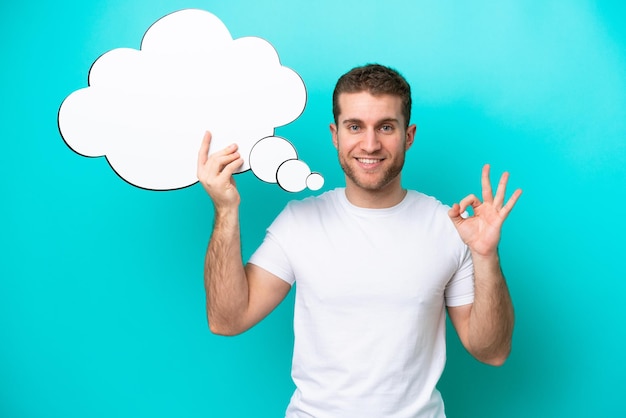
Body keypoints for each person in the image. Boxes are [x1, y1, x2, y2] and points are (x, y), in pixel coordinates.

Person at [197, 64, 522, 417]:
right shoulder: (299, 222)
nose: (370, 144)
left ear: (408, 135)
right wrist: (225, 209)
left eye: (386, 127)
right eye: (355, 127)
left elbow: (492, 351)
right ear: (335, 134)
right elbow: (227, 319)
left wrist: (486, 255)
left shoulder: (448, 227)